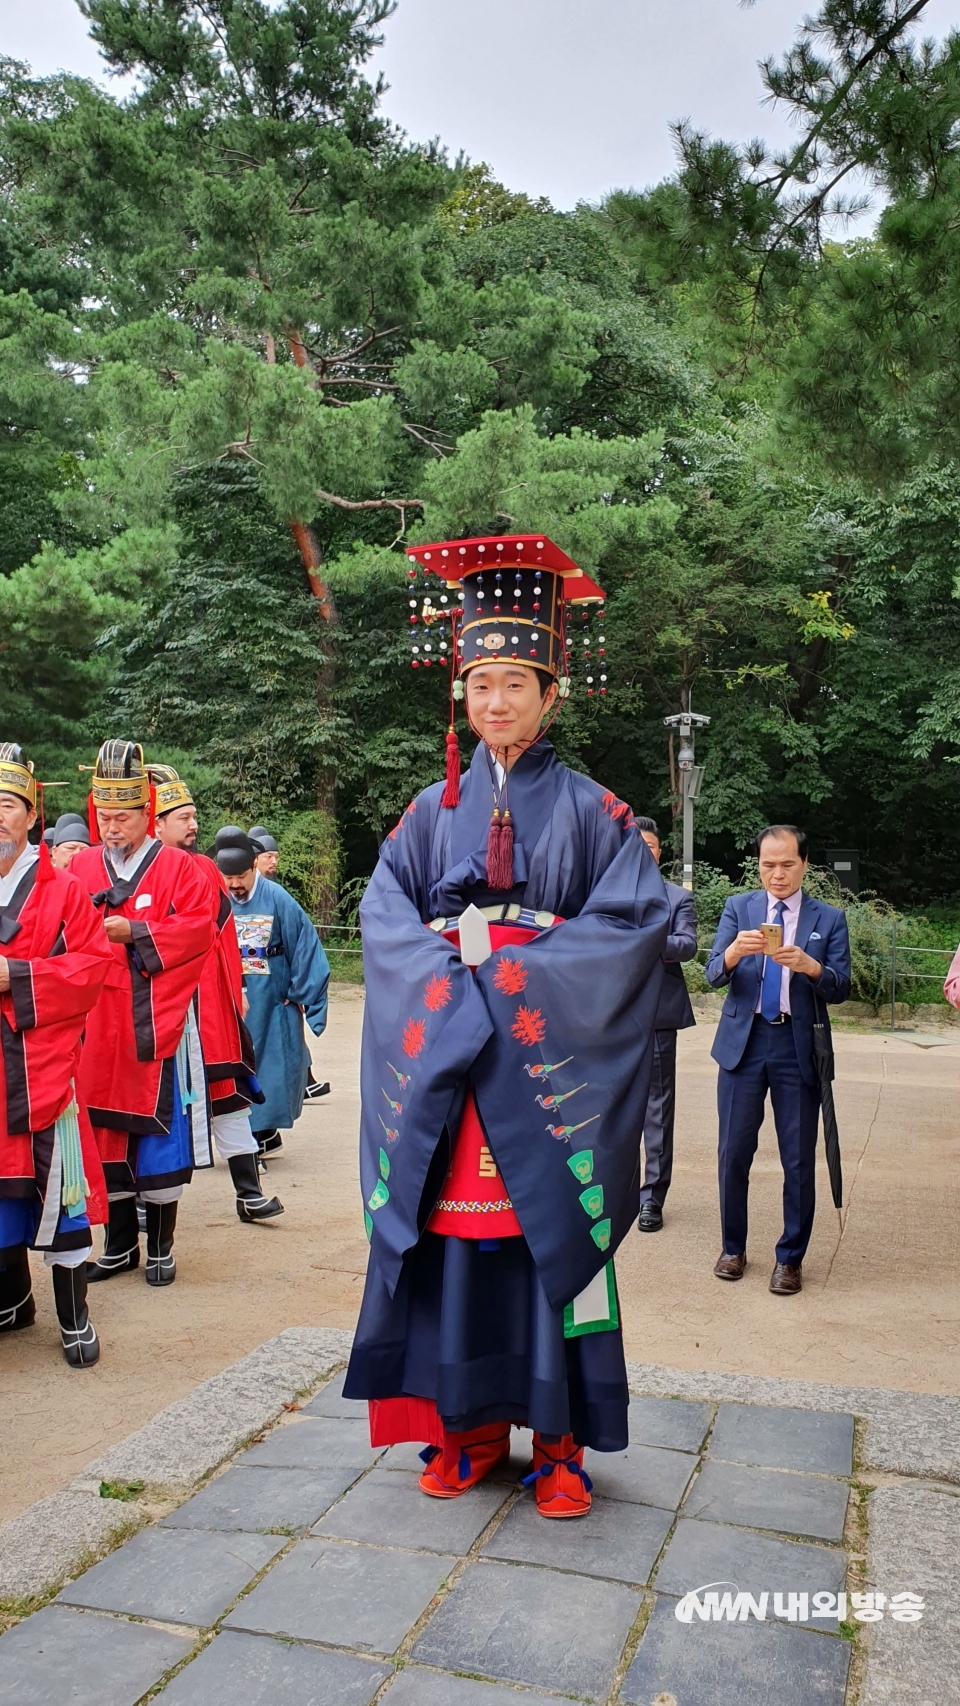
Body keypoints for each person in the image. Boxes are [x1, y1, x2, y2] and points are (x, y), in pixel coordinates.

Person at [342, 532, 669, 1520]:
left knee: (544, 1241)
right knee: (450, 1249)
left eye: (515, 681)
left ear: (552, 689)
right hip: (450, 1071)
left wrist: (515, 959)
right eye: (480, 680)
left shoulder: (596, 811)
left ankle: (560, 1441)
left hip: (537, 1070)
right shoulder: (425, 809)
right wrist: (450, 966)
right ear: (462, 690)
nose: (495, 701)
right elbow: (383, 915)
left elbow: (637, 922)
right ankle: (467, 1423)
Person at [70, 742, 216, 1287]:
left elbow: (201, 928)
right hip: (92, 1022)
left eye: (123, 816)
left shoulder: (180, 867)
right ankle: (118, 1243)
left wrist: (136, 931)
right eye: (104, 816)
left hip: (154, 1017)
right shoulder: (81, 865)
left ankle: (160, 1244)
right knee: (102, 1131)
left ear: (146, 812)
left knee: (156, 1134)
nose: (112, 826)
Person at [0, 744, 112, 1366]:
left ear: (32, 814)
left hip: (40, 1065)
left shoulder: (63, 890)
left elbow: (92, 968)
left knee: (58, 1190)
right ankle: (14, 1298)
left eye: (8, 804)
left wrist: (14, 977)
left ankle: (75, 1314)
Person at [705, 824, 851, 1295]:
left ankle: (790, 1258)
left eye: (787, 864)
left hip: (796, 1048)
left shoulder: (828, 919)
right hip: (743, 1046)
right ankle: (733, 1247)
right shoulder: (739, 908)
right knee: (733, 1153)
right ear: (759, 865)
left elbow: (841, 987)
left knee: (797, 1159)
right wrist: (730, 954)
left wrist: (813, 968)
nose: (778, 874)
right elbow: (711, 975)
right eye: (769, 865)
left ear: (805, 865)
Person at [150, 767, 282, 1223]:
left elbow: (223, 939)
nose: (193, 825)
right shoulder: (140, 873)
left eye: (194, 816)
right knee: (151, 1105)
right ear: (156, 823)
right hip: (155, 1008)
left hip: (207, 1003)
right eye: (183, 817)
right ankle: (142, 1208)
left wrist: (236, 989)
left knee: (226, 1093)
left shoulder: (206, 868)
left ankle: (248, 1192)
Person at [217, 831, 330, 1157]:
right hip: (231, 995)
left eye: (241, 876)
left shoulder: (278, 898)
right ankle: (256, 1136)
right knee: (233, 1063)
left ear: (254, 867)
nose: (235, 884)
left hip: (272, 996)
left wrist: (297, 992)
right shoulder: (217, 898)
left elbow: (305, 944)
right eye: (229, 877)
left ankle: (258, 1135)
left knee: (272, 1067)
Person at [633, 817, 697, 1233]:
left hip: (657, 1015)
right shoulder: (601, 893)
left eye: (651, 845)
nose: (643, 850)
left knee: (658, 1109)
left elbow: (687, 945)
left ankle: (652, 1198)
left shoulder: (677, 898)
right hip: (607, 1015)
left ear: (660, 852)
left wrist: (643, 940)